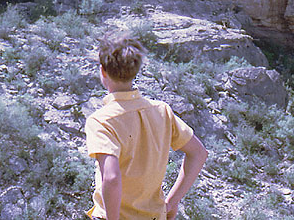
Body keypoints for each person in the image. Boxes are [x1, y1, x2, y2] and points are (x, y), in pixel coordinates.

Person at [84, 31, 207, 220]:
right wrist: (172, 202)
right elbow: (198, 153)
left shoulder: (101, 121)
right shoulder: (162, 110)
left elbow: (111, 178)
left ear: (103, 71)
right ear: (136, 69)